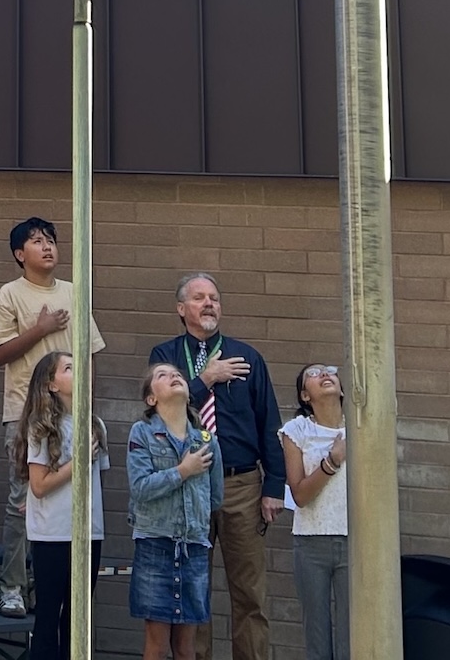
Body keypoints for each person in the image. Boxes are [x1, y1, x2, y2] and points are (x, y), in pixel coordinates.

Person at [148, 272, 283, 660]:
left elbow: (269, 422)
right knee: (193, 590)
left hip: (241, 485)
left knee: (250, 592)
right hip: (188, 484)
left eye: (214, 298)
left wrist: (274, 486)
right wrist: (205, 379)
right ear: (181, 309)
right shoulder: (165, 357)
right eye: (199, 298)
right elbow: (159, 411)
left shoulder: (247, 357)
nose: (209, 303)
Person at [0, 216, 104, 618]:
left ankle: (45, 584)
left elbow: (89, 353)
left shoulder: (74, 291)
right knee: (22, 500)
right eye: (37, 241)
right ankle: (12, 586)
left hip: (72, 417)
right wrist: (40, 329)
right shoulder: (9, 294)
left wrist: (87, 407)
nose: (48, 246)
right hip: (26, 414)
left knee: (67, 497)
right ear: (20, 254)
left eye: (51, 240)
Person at [129, 364, 220, 660]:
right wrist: (183, 471)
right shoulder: (142, 432)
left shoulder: (206, 440)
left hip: (194, 546)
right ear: (151, 398)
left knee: (186, 646)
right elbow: (140, 488)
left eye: (178, 374)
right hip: (155, 543)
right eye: (162, 375)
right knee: (157, 644)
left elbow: (215, 495)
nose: (174, 376)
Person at [21, 352, 105, 660]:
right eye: (68, 368)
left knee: (78, 618)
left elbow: (99, 479)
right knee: (48, 616)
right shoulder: (41, 426)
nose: (79, 371)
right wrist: (78, 462)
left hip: (89, 533)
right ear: (52, 384)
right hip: (52, 534)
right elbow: (39, 485)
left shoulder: (95, 424)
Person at [282, 365, 350, 660]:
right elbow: (300, 495)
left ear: (342, 388)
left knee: (353, 637)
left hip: (355, 541)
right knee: (317, 638)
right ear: (304, 395)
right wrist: (332, 462)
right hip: (311, 542)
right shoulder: (297, 431)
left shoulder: (360, 429)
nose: (324, 374)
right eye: (314, 373)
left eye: (330, 371)